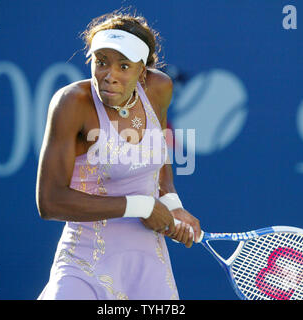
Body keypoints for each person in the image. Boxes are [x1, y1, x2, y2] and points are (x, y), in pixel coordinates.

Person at [36, 10, 201, 300]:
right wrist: (141, 206)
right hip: (82, 265)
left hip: (148, 266)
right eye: (101, 62)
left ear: (143, 71)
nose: (109, 76)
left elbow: (158, 153)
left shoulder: (159, 88)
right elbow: (50, 202)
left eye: (124, 66)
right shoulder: (71, 103)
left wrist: (171, 202)